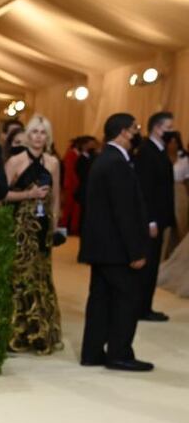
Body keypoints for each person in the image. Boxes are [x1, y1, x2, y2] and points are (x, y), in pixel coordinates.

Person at [79, 113, 151, 371]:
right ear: (123, 131)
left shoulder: (104, 159)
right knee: (127, 299)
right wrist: (136, 251)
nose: (137, 133)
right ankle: (119, 353)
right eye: (135, 128)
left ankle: (92, 351)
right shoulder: (116, 162)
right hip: (117, 250)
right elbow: (124, 212)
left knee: (100, 300)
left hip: (102, 248)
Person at [4, 114, 63, 354]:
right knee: (20, 277)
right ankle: (19, 334)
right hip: (20, 227)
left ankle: (41, 333)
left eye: (43, 133)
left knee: (41, 276)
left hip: (43, 227)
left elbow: (57, 198)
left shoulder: (53, 163)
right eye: (35, 132)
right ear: (28, 135)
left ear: (48, 138)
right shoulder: (15, 161)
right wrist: (29, 195)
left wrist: (55, 225)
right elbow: (2, 195)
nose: (39, 137)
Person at [134, 111, 176, 321]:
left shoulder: (160, 151)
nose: (172, 132)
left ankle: (145, 305)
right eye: (168, 128)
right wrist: (150, 219)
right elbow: (144, 190)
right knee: (147, 265)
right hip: (150, 220)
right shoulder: (146, 152)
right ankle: (141, 307)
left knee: (152, 264)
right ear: (157, 128)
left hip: (160, 217)